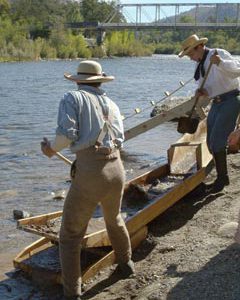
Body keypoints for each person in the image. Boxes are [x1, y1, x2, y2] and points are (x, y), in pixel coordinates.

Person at [41, 60, 134, 300]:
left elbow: (65, 136)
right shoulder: (112, 103)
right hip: (117, 168)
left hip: (91, 173)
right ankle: (126, 265)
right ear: (100, 80)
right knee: (113, 219)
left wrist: (50, 149)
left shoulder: (71, 98)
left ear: (77, 80)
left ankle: (73, 294)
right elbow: (121, 138)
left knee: (70, 236)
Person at [178, 34, 240, 193]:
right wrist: (203, 91)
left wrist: (220, 62)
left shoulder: (218, 53)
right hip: (216, 102)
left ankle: (222, 179)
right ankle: (221, 176)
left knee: (217, 140)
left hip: (230, 100)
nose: (191, 58)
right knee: (209, 142)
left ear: (200, 47)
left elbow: (236, 71)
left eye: (191, 54)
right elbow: (209, 86)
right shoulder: (199, 65)